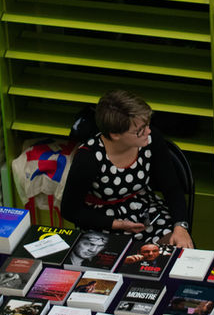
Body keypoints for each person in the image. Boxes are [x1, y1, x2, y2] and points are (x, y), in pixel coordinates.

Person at [61, 90, 193, 248]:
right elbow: (70, 210)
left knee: (180, 251)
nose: (148, 132)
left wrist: (180, 226)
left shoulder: (152, 140)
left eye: (148, 124)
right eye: (140, 130)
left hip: (145, 212)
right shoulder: (88, 158)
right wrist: (116, 224)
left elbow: (172, 188)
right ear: (115, 134)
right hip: (102, 222)